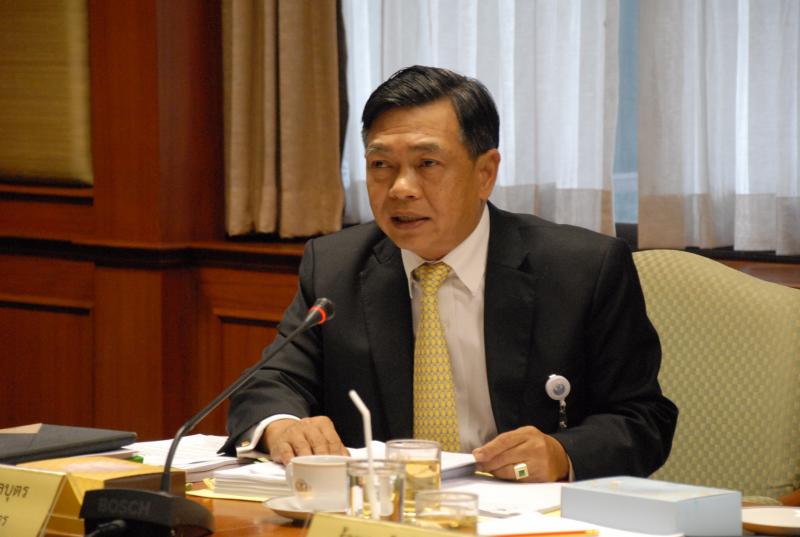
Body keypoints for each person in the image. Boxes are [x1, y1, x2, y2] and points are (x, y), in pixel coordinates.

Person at [222, 65, 677, 482]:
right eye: (381, 165)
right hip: (385, 515)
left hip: (528, 515)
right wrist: (281, 425)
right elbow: (269, 383)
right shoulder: (335, 266)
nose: (401, 188)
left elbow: (643, 419)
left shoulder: (581, 268)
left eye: (427, 164)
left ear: (485, 173)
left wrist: (562, 453)